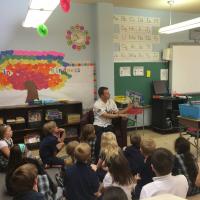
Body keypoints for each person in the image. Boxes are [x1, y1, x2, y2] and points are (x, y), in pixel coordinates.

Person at [93, 87, 131, 159]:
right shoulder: (97, 104)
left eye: (108, 92)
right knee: (99, 142)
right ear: (101, 95)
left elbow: (117, 112)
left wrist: (128, 108)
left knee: (113, 140)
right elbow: (106, 115)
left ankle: (114, 157)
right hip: (99, 125)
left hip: (109, 125)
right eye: (107, 93)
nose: (109, 94)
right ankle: (97, 159)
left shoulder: (111, 101)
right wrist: (120, 115)